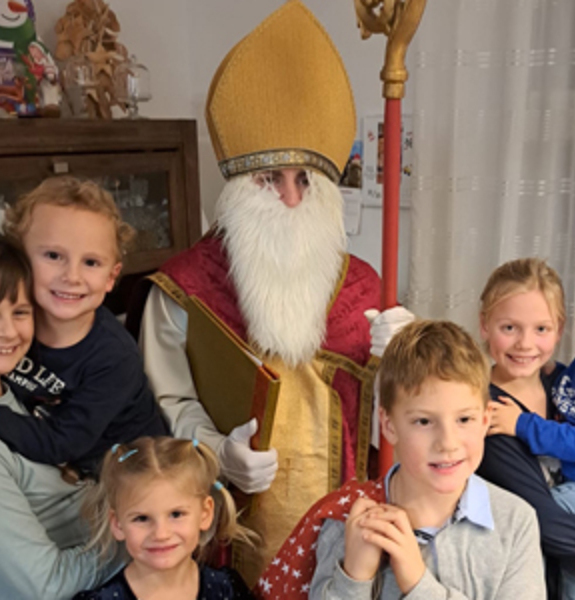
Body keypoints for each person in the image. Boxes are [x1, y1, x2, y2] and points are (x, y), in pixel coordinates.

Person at [139, 0, 413, 585]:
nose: (291, 199)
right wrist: (217, 451)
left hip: (344, 537)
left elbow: (394, 427)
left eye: (305, 179)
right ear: (238, 187)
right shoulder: (184, 290)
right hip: (226, 531)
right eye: (270, 178)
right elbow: (168, 405)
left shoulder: (367, 289)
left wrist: (405, 360)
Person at [257, 320, 545, 600]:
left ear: (485, 420)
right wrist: (354, 578)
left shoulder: (516, 522)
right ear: (389, 425)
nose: (447, 442)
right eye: (424, 421)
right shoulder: (348, 520)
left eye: (464, 419)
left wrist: (417, 583)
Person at [0, 176, 167, 480]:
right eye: (53, 256)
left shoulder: (114, 356)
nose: (72, 276)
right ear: (20, 258)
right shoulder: (13, 325)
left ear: (111, 277)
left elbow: (61, 442)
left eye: (91, 262)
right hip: (60, 461)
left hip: (134, 477)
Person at [0, 237, 119, 599]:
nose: (8, 332)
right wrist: (144, 534)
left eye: (20, 312)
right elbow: (45, 586)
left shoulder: (16, 381)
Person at [477, 257, 575, 599]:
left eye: (541, 329)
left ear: (559, 329)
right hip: (522, 577)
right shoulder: (486, 409)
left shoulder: (559, 385)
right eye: (509, 328)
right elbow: (537, 511)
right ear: (485, 325)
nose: (525, 344)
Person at [73, 436, 254, 600]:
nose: (161, 534)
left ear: (205, 514)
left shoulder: (228, 589)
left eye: (176, 514)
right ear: (118, 524)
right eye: (142, 518)